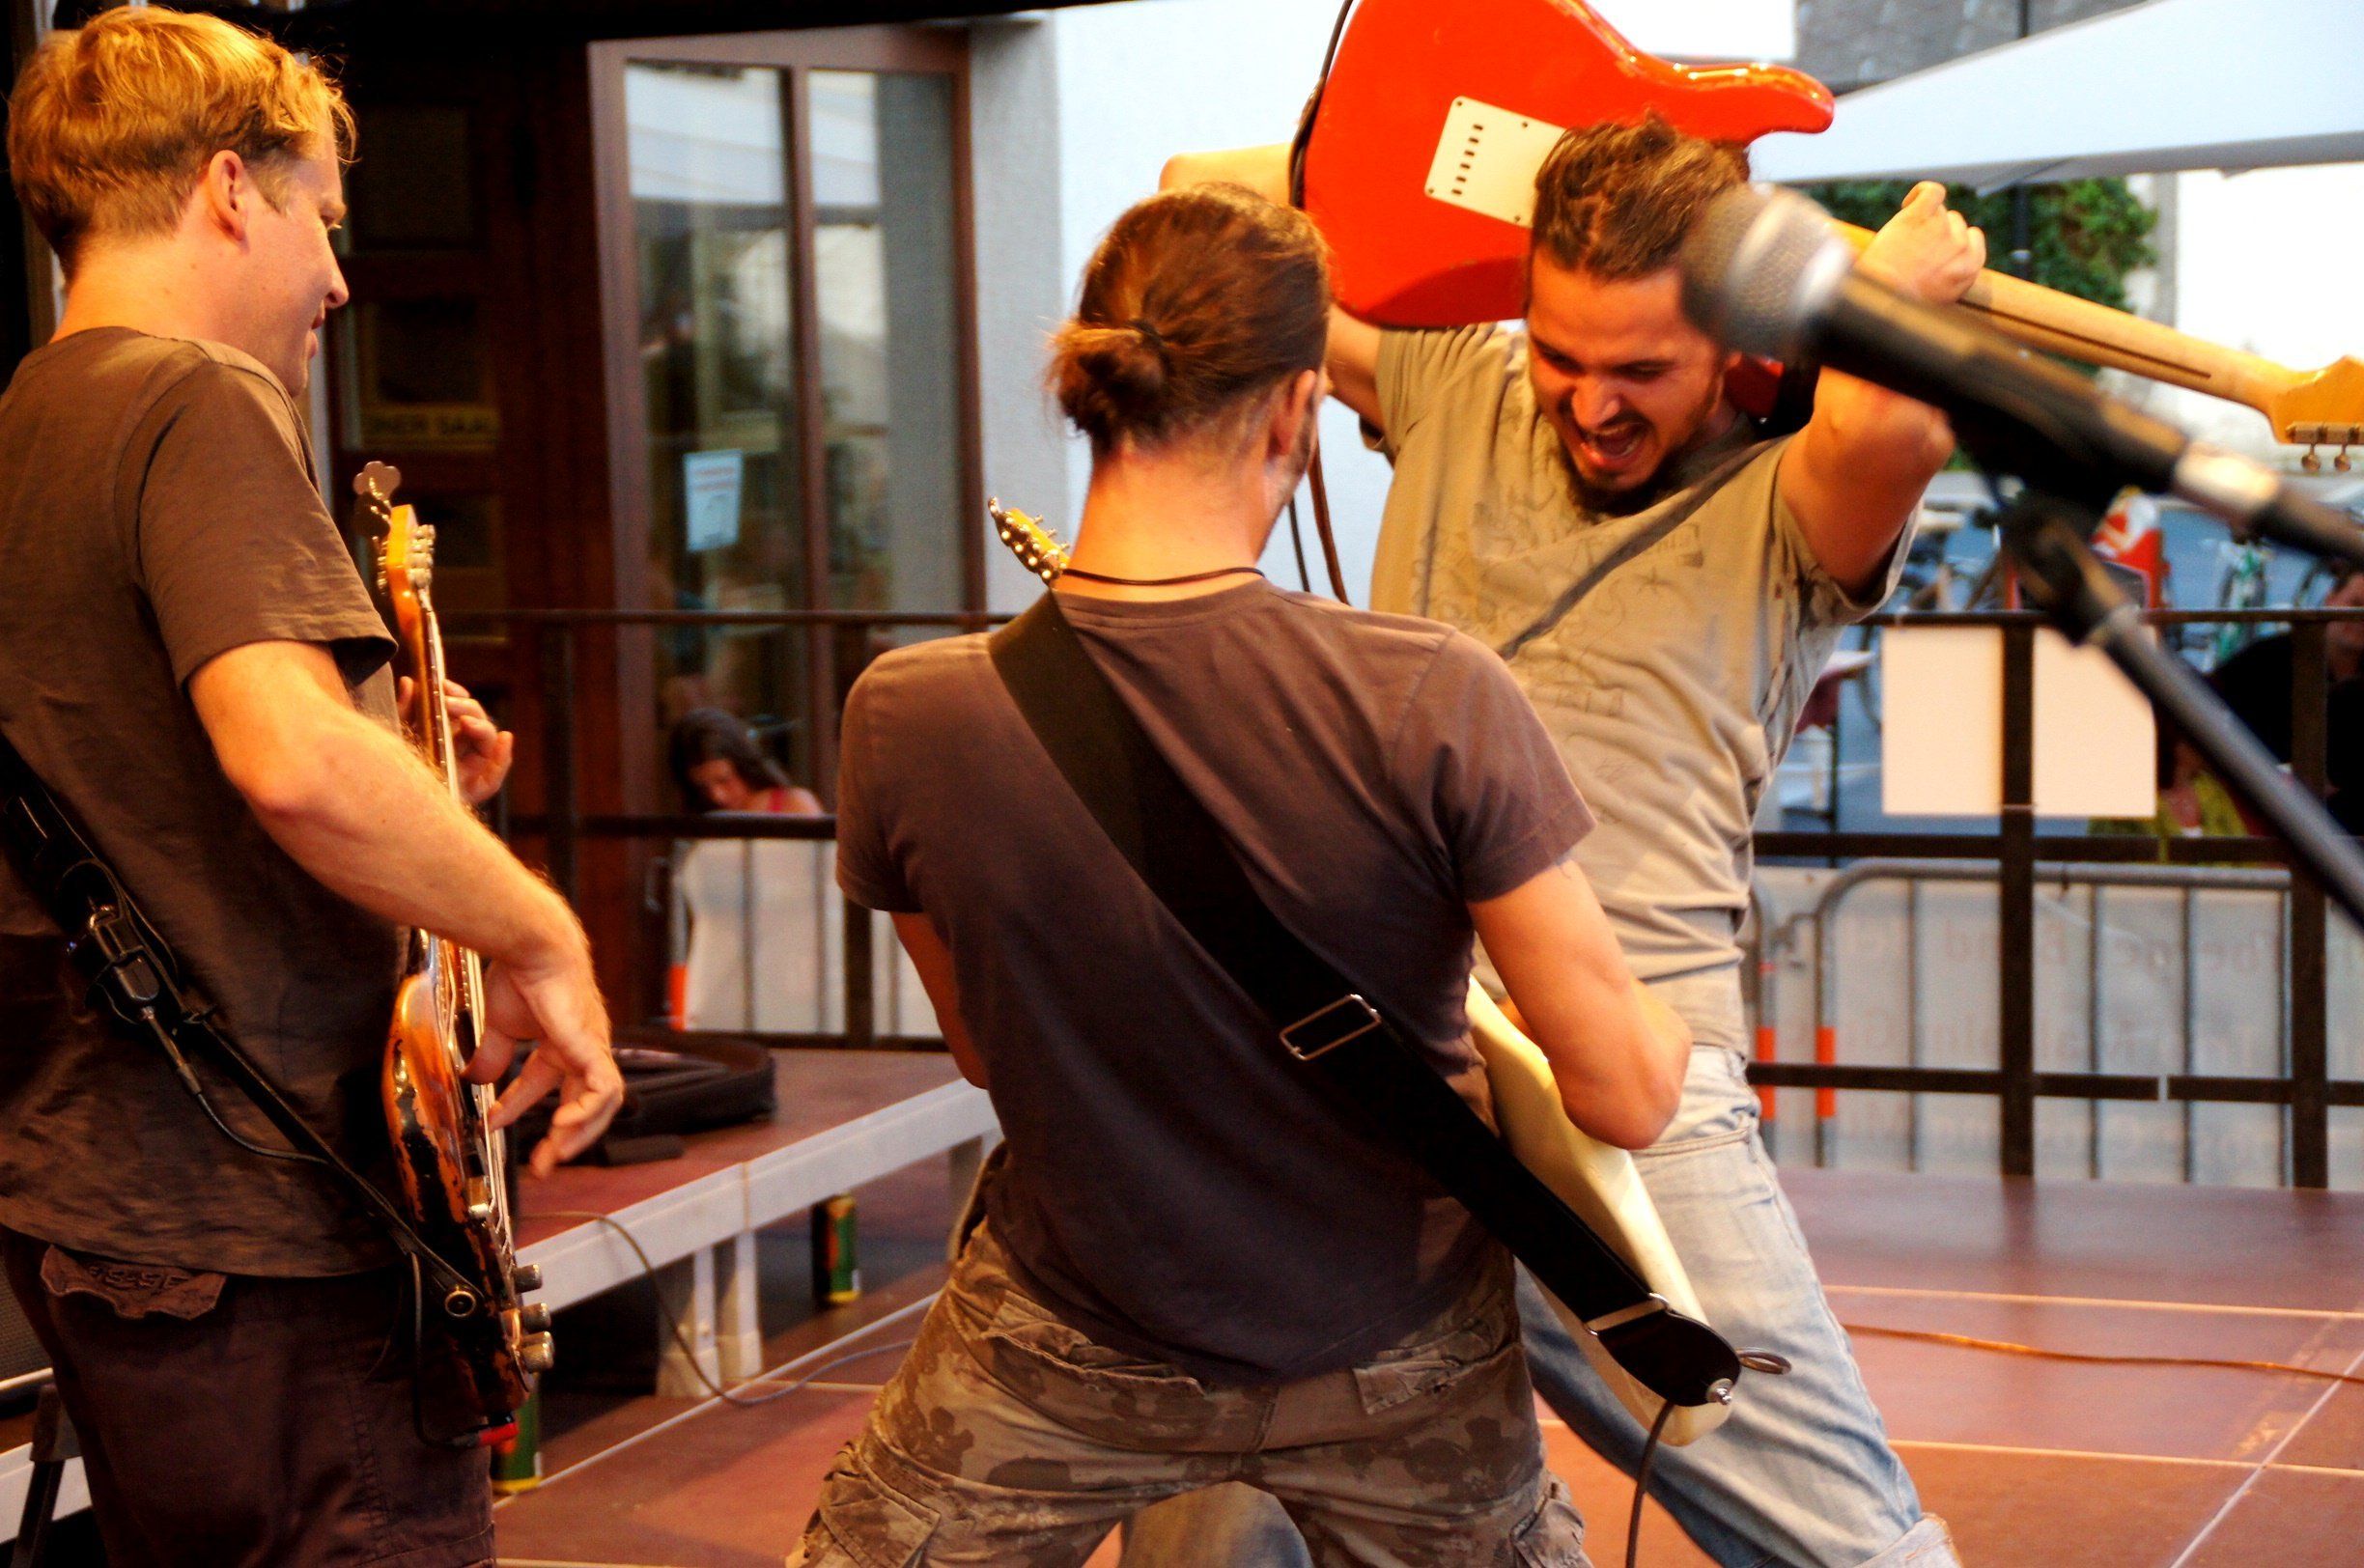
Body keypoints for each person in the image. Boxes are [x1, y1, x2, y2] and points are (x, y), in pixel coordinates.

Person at [794, 182, 1692, 1566]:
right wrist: (1665, 1017)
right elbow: (1625, 1093)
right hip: (1399, 1352)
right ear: (1293, 412)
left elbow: (986, 1050)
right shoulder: (1431, 694)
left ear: (1095, 394)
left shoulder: (905, 715)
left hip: (1065, 1344)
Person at [1149, 118, 1982, 1567]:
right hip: (1364, 1048)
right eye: (1560, 351)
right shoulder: (1453, 378)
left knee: (1845, 1545)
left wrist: (1884, 295)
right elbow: (1201, 201)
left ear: (1736, 346)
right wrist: (1519, 149)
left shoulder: (1790, 495)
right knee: (1215, 1536)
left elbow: (1887, 430)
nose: (1591, 404)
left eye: (1642, 369)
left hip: (1620, 1076)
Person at [0, 12, 622, 1566]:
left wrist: (408, 773)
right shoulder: (195, 396)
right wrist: (542, 934)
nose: (338, 279)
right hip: (259, 1207)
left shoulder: (29, 418)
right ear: (229, 188)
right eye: (321, 218)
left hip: (95, 1195)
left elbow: (138, 768)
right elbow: (288, 757)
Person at [2207, 562, 2364, 831]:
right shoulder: (2266, 660)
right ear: (2330, 600)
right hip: (2269, 809)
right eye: (2355, 605)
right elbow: (2202, 702)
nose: (2360, 619)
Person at [669, 706, 827, 815]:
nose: (717, 796)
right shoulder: (697, 820)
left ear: (744, 765)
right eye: (702, 787)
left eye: (724, 779)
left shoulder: (794, 805)